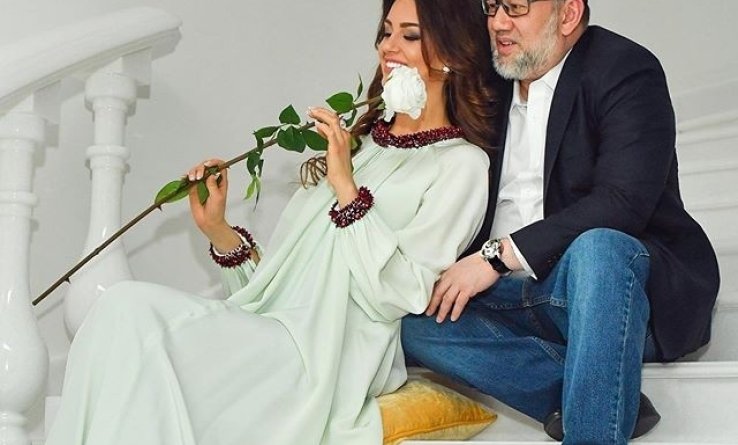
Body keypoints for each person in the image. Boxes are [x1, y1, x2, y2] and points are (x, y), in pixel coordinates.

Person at [45, 0, 501, 444]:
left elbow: (401, 292)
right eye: (386, 32)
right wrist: (219, 231)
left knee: (128, 310)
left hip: (323, 361)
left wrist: (347, 188)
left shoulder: (460, 166)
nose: (388, 46)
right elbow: (280, 288)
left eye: (410, 35)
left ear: (450, 52)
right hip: (270, 333)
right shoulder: (358, 146)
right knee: (117, 310)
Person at [401, 0, 720, 443]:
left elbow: (623, 202)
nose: (497, 23)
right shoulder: (485, 81)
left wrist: (495, 257)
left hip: (609, 295)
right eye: (492, 7)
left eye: (515, 7)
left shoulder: (624, 69)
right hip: (507, 299)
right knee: (407, 316)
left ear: (568, 14)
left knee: (600, 247)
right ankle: (605, 395)